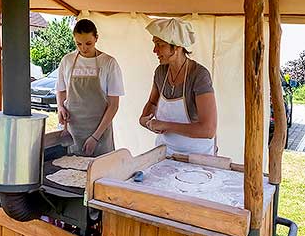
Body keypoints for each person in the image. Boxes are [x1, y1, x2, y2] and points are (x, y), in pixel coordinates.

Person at [139, 18, 217, 156]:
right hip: (166, 152)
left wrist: (165, 125)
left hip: (197, 155)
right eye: (154, 44)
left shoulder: (199, 75)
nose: (154, 50)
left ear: (177, 47)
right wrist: (145, 119)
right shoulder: (161, 72)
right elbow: (152, 103)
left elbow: (208, 130)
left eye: (159, 44)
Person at [56, 19, 124, 157]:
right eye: (78, 44)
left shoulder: (109, 63)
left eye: (88, 43)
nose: (83, 48)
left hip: (100, 132)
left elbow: (114, 105)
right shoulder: (67, 61)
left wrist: (95, 137)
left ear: (96, 38)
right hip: (73, 132)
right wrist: (60, 107)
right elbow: (61, 90)